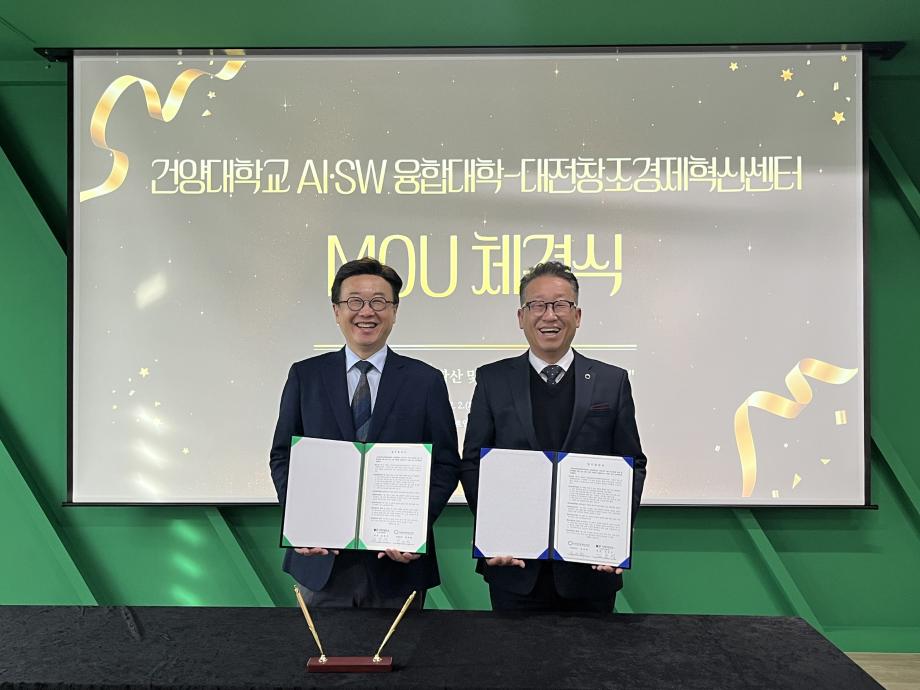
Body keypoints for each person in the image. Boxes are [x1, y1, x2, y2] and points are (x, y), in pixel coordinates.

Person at [270, 257, 460, 608]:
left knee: (402, 646)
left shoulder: (425, 381)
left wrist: (414, 528)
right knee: (322, 645)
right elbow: (283, 456)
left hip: (397, 564)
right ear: (336, 311)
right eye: (354, 301)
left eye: (379, 302)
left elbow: (446, 465)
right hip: (322, 561)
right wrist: (301, 520)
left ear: (394, 311)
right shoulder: (305, 376)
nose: (366, 312)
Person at [460, 261, 647, 612]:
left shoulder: (612, 381)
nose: (550, 315)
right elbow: (473, 463)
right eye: (538, 305)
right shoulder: (492, 380)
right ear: (521, 317)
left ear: (577, 315)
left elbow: (632, 463)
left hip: (590, 570)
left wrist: (614, 534)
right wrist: (493, 531)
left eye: (561, 304)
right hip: (513, 568)